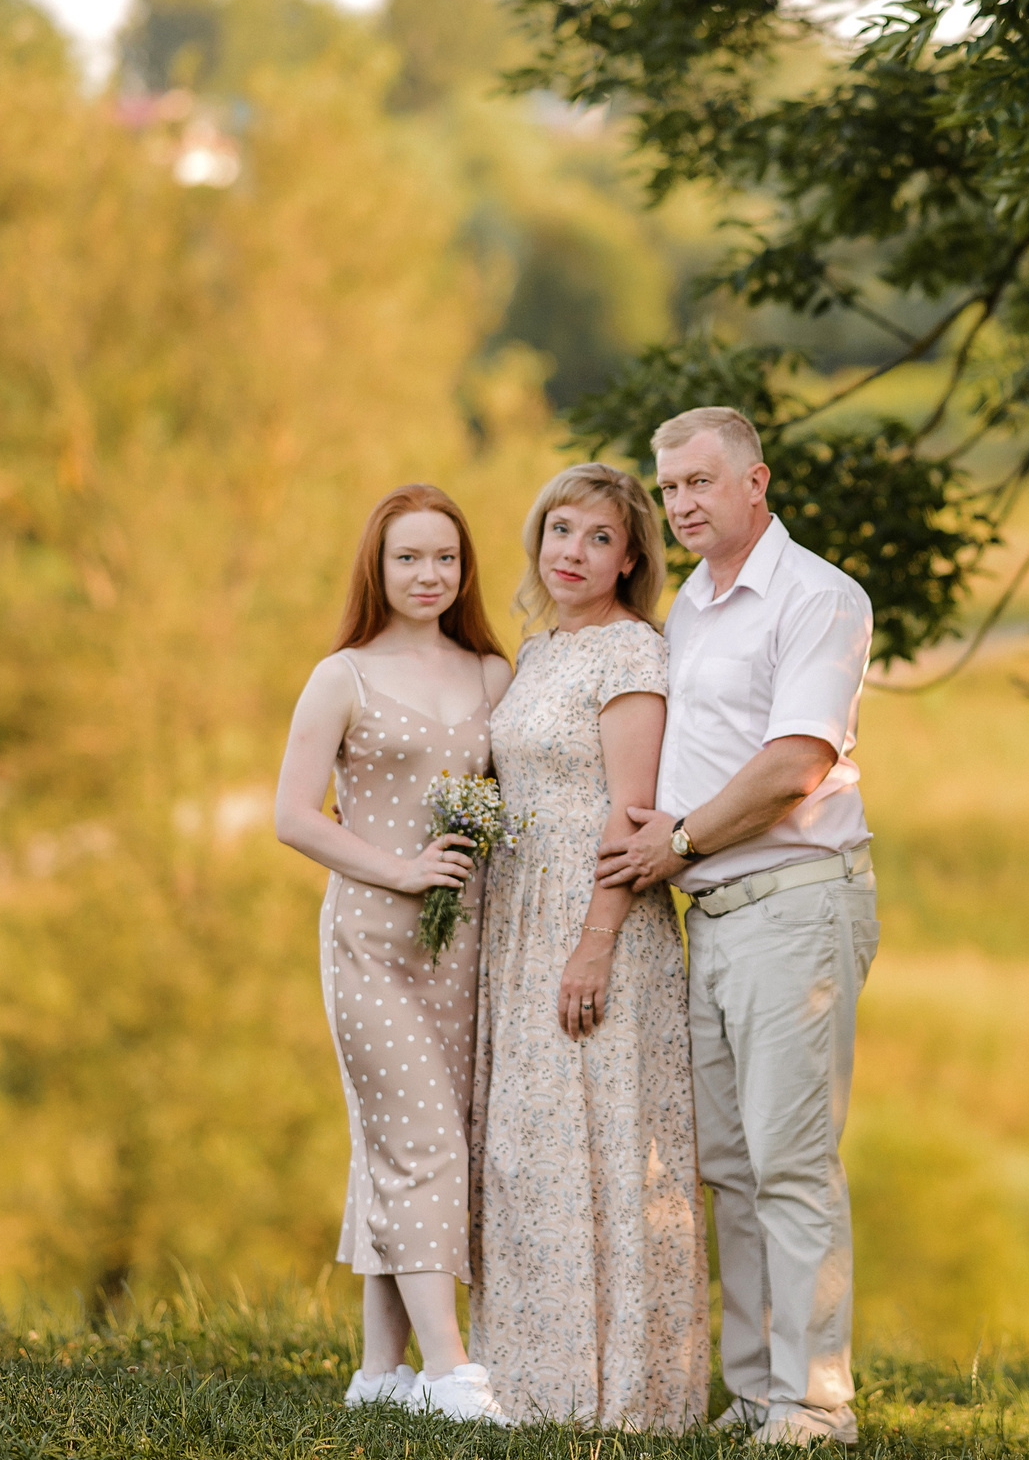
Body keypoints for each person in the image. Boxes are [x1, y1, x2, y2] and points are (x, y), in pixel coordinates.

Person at [598, 407, 879, 1449]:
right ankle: (760, 1391)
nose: (680, 503)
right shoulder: (691, 612)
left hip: (793, 904)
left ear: (755, 481)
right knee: (728, 1161)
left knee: (791, 1159)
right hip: (711, 913)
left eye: (701, 482)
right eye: (668, 488)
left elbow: (793, 761)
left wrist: (675, 837)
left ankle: (816, 1402)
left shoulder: (817, 596)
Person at [466, 462, 709, 1427]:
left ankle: (621, 1393)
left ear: (631, 558)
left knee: (602, 1143)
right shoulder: (533, 654)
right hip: (521, 926)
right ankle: (523, 1380)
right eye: (560, 529)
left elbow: (631, 812)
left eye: (598, 537)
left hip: (597, 922)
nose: (573, 551)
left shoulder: (630, 655)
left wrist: (595, 944)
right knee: (530, 1149)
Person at [274, 484, 513, 1424]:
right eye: (409, 557)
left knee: (408, 1146)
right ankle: (454, 1375)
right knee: (421, 1142)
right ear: (377, 565)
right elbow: (292, 816)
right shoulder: (343, 675)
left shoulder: (493, 673)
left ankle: (380, 1375)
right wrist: (404, 872)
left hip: (466, 951)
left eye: (446, 558)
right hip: (371, 942)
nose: (429, 574)